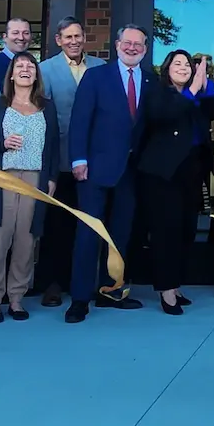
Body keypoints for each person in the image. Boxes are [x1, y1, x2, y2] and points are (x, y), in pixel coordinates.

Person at [66, 24, 153, 322]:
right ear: (116, 45)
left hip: (133, 172)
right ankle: (79, 299)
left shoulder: (151, 81)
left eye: (138, 44)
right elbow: (79, 121)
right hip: (95, 169)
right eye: (127, 43)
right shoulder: (96, 76)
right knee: (89, 234)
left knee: (121, 235)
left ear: (144, 48)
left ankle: (111, 291)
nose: (132, 48)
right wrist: (78, 159)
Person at [0, 52, 59, 323]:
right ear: (11, 74)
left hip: (35, 180)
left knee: (25, 242)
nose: (25, 69)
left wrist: (52, 178)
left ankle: (17, 299)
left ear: (36, 74)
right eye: (19, 66)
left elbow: (54, 146)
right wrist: (2, 144)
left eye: (30, 66)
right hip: (3, 180)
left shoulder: (47, 106)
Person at [135, 49, 214, 314]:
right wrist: (193, 90)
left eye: (188, 64)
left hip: (193, 169)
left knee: (186, 230)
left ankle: (176, 284)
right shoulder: (157, 93)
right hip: (164, 174)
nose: (184, 67)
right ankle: (166, 289)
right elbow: (166, 115)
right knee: (166, 232)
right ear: (167, 68)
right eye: (178, 63)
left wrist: (204, 85)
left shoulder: (196, 95)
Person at [37, 17, 106, 306]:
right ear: (58, 40)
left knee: (90, 224)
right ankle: (53, 283)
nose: (74, 41)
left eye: (78, 36)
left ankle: (89, 282)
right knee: (58, 225)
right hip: (62, 158)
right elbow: (45, 118)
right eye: (68, 37)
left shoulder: (101, 68)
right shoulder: (46, 69)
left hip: (97, 157)